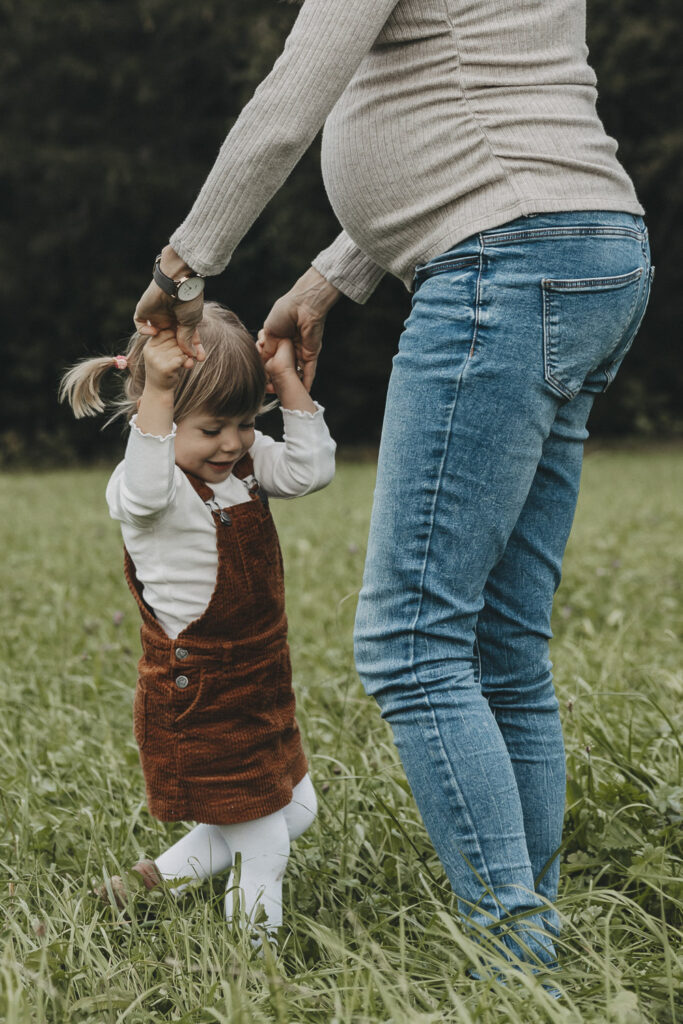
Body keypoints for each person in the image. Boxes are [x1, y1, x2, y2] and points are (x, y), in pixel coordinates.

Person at [132, 0, 653, 972]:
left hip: (505, 263)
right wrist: (334, 274)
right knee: (500, 631)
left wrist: (184, 263)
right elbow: (477, 109)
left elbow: (295, 95)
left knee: (409, 640)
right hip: (589, 251)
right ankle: (532, 919)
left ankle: (515, 952)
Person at [60, 302, 336, 938]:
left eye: (244, 423)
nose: (234, 443)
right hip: (201, 693)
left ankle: (143, 885)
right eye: (213, 428)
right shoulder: (147, 490)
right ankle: (252, 966)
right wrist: (157, 393)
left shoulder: (240, 465)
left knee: (295, 808)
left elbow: (310, 469)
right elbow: (148, 486)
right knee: (266, 837)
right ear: (160, 417)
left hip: (262, 678)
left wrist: (286, 380)